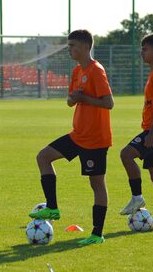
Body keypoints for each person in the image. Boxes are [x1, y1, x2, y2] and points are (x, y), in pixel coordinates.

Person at [29, 29, 114, 246]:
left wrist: (83, 97)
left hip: (95, 139)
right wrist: (74, 98)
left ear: (86, 47)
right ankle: (53, 207)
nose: (69, 49)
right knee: (43, 157)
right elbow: (70, 100)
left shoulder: (96, 70)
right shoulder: (77, 71)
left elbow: (108, 102)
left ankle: (97, 234)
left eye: (73, 45)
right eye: (68, 45)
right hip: (78, 135)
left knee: (97, 184)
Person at [119, 32, 153, 231]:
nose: (142, 53)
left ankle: (137, 198)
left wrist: (151, 133)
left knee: (126, 154)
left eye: (145, 49)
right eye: (142, 49)